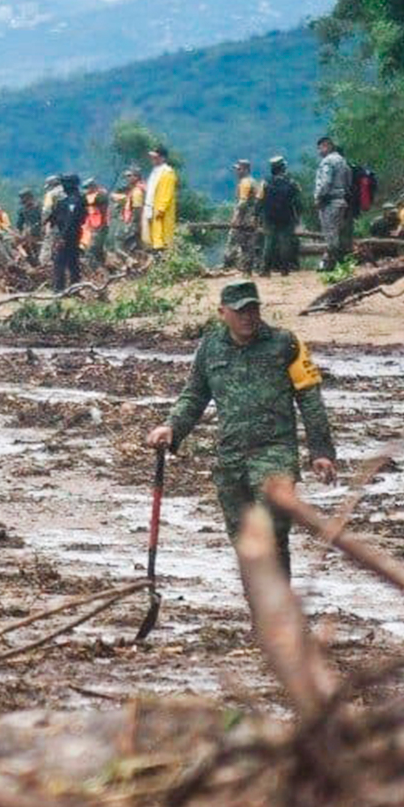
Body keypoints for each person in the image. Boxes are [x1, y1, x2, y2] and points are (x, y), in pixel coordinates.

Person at [146, 281, 336, 577]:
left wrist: (321, 452)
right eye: (240, 311)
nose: (248, 317)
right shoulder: (210, 347)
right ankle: (259, 610)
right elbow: (195, 395)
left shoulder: (285, 343)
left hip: (275, 456)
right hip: (232, 459)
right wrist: (172, 427)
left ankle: (278, 614)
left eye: (253, 310)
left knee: (273, 535)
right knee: (244, 540)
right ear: (223, 312)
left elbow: (310, 399)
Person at [313, 137, 353, 270]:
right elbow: (348, 182)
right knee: (338, 233)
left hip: (329, 202)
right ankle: (341, 263)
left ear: (328, 146)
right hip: (341, 200)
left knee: (330, 234)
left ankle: (332, 264)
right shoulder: (343, 161)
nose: (319, 151)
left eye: (320, 148)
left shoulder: (328, 161)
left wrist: (319, 197)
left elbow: (325, 182)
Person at [260, 156, 303, 276]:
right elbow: (298, 202)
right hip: (286, 217)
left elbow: (259, 200)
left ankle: (265, 270)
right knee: (285, 243)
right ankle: (284, 269)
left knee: (269, 242)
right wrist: (298, 216)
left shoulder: (265, 182)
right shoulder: (292, 183)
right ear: (283, 168)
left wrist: (256, 215)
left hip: (269, 217)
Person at [48, 174, 88, 293]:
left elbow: (71, 220)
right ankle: (74, 288)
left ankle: (59, 289)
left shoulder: (74, 200)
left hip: (69, 235)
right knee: (72, 262)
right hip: (73, 234)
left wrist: (62, 237)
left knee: (59, 262)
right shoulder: (74, 200)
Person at [224, 160, 262, 273]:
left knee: (233, 242)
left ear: (245, 170)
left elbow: (242, 202)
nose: (237, 172)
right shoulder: (254, 182)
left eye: (239, 169)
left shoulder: (245, 182)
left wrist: (236, 218)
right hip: (252, 218)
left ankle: (228, 266)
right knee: (249, 244)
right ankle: (247, 269)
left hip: (244, 219)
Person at [142, 145, 179, 251]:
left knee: (162, 234)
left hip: (160, 209)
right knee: (153, 233)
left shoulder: (167, 172)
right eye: (152, 157)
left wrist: (161, 208)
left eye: (156, 157)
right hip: (151, 206)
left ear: (162, 158)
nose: (153, 159)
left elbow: (167, 193)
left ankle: (163, 254)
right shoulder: (155, 171)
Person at [114, 168, 146, 254]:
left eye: (129, 176)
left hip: (136, 223)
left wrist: (133, 225)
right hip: (137, 222)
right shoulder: (135, 189)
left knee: (121, 242)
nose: (127, 179)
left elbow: (138, 210)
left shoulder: (137, 191)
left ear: (136, 177)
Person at [81, 178, 111, 269]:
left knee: (92, 249)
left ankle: (94, 270)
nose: (86, 190)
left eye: (87, 187)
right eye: (85, 188)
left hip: (100, 225)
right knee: (98, 249)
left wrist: (102, 224)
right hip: (91, 225)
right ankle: (103, 268)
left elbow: (103, 211)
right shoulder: (87, 196)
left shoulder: (101, 196)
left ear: (93, 186)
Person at [15, 189, 43, 266]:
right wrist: (18, 234)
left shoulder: (40, 207)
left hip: (41, 233)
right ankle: (34, 265)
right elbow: (19, 224)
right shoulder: (23, 210)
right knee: (27, 250)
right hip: (30, 235)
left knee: (41, 251)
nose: (26, 204)